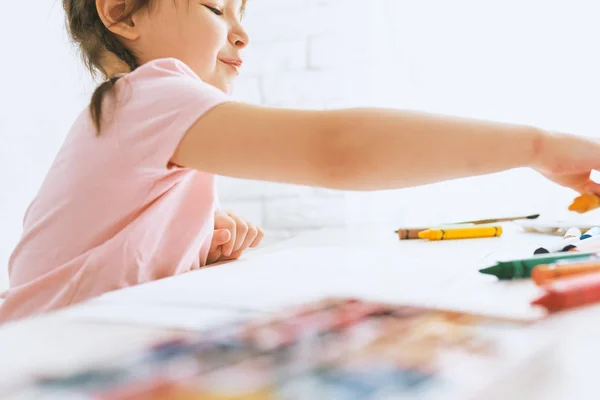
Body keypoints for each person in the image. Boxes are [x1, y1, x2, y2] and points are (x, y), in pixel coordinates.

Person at [2, 0, 600, 323]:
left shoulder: (123, 115)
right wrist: (538, 146)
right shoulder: (153, 92)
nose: (241, 34)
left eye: (243, 14)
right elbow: (339, 150)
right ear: (121, 12)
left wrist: (181, 246)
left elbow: (75, 258)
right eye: (216, 9)